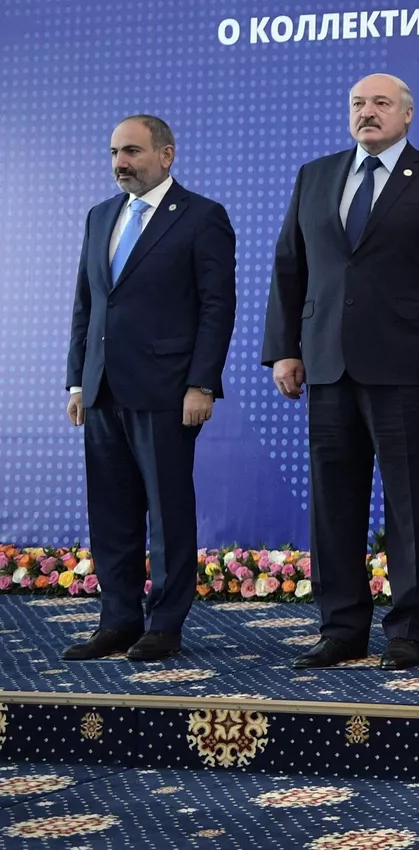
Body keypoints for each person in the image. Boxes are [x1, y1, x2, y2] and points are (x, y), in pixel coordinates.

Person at [264, 73, 419, 671]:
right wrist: (284, 349)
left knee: (411, 503)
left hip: (409, 368)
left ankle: (409, 629)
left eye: (381, 103)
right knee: (333, 504)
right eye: (358, 104)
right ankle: (341, 628)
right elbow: (289, 267)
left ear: (407, 114)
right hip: (328, 364)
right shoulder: (315, 175)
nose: (368, 112)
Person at [63, 115, 235, 663]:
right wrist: (77, 381)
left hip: (167, 390)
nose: (121, 163)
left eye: (132, 151)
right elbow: (87, 304)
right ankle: (117, 621)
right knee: (110, 512)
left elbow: (217, 308)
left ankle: (164, 624)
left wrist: (201, 383)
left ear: (166, 154)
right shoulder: (100, 216)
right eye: (115, 152)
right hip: (102, 390)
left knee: (167, 513)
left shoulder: (202, 217)